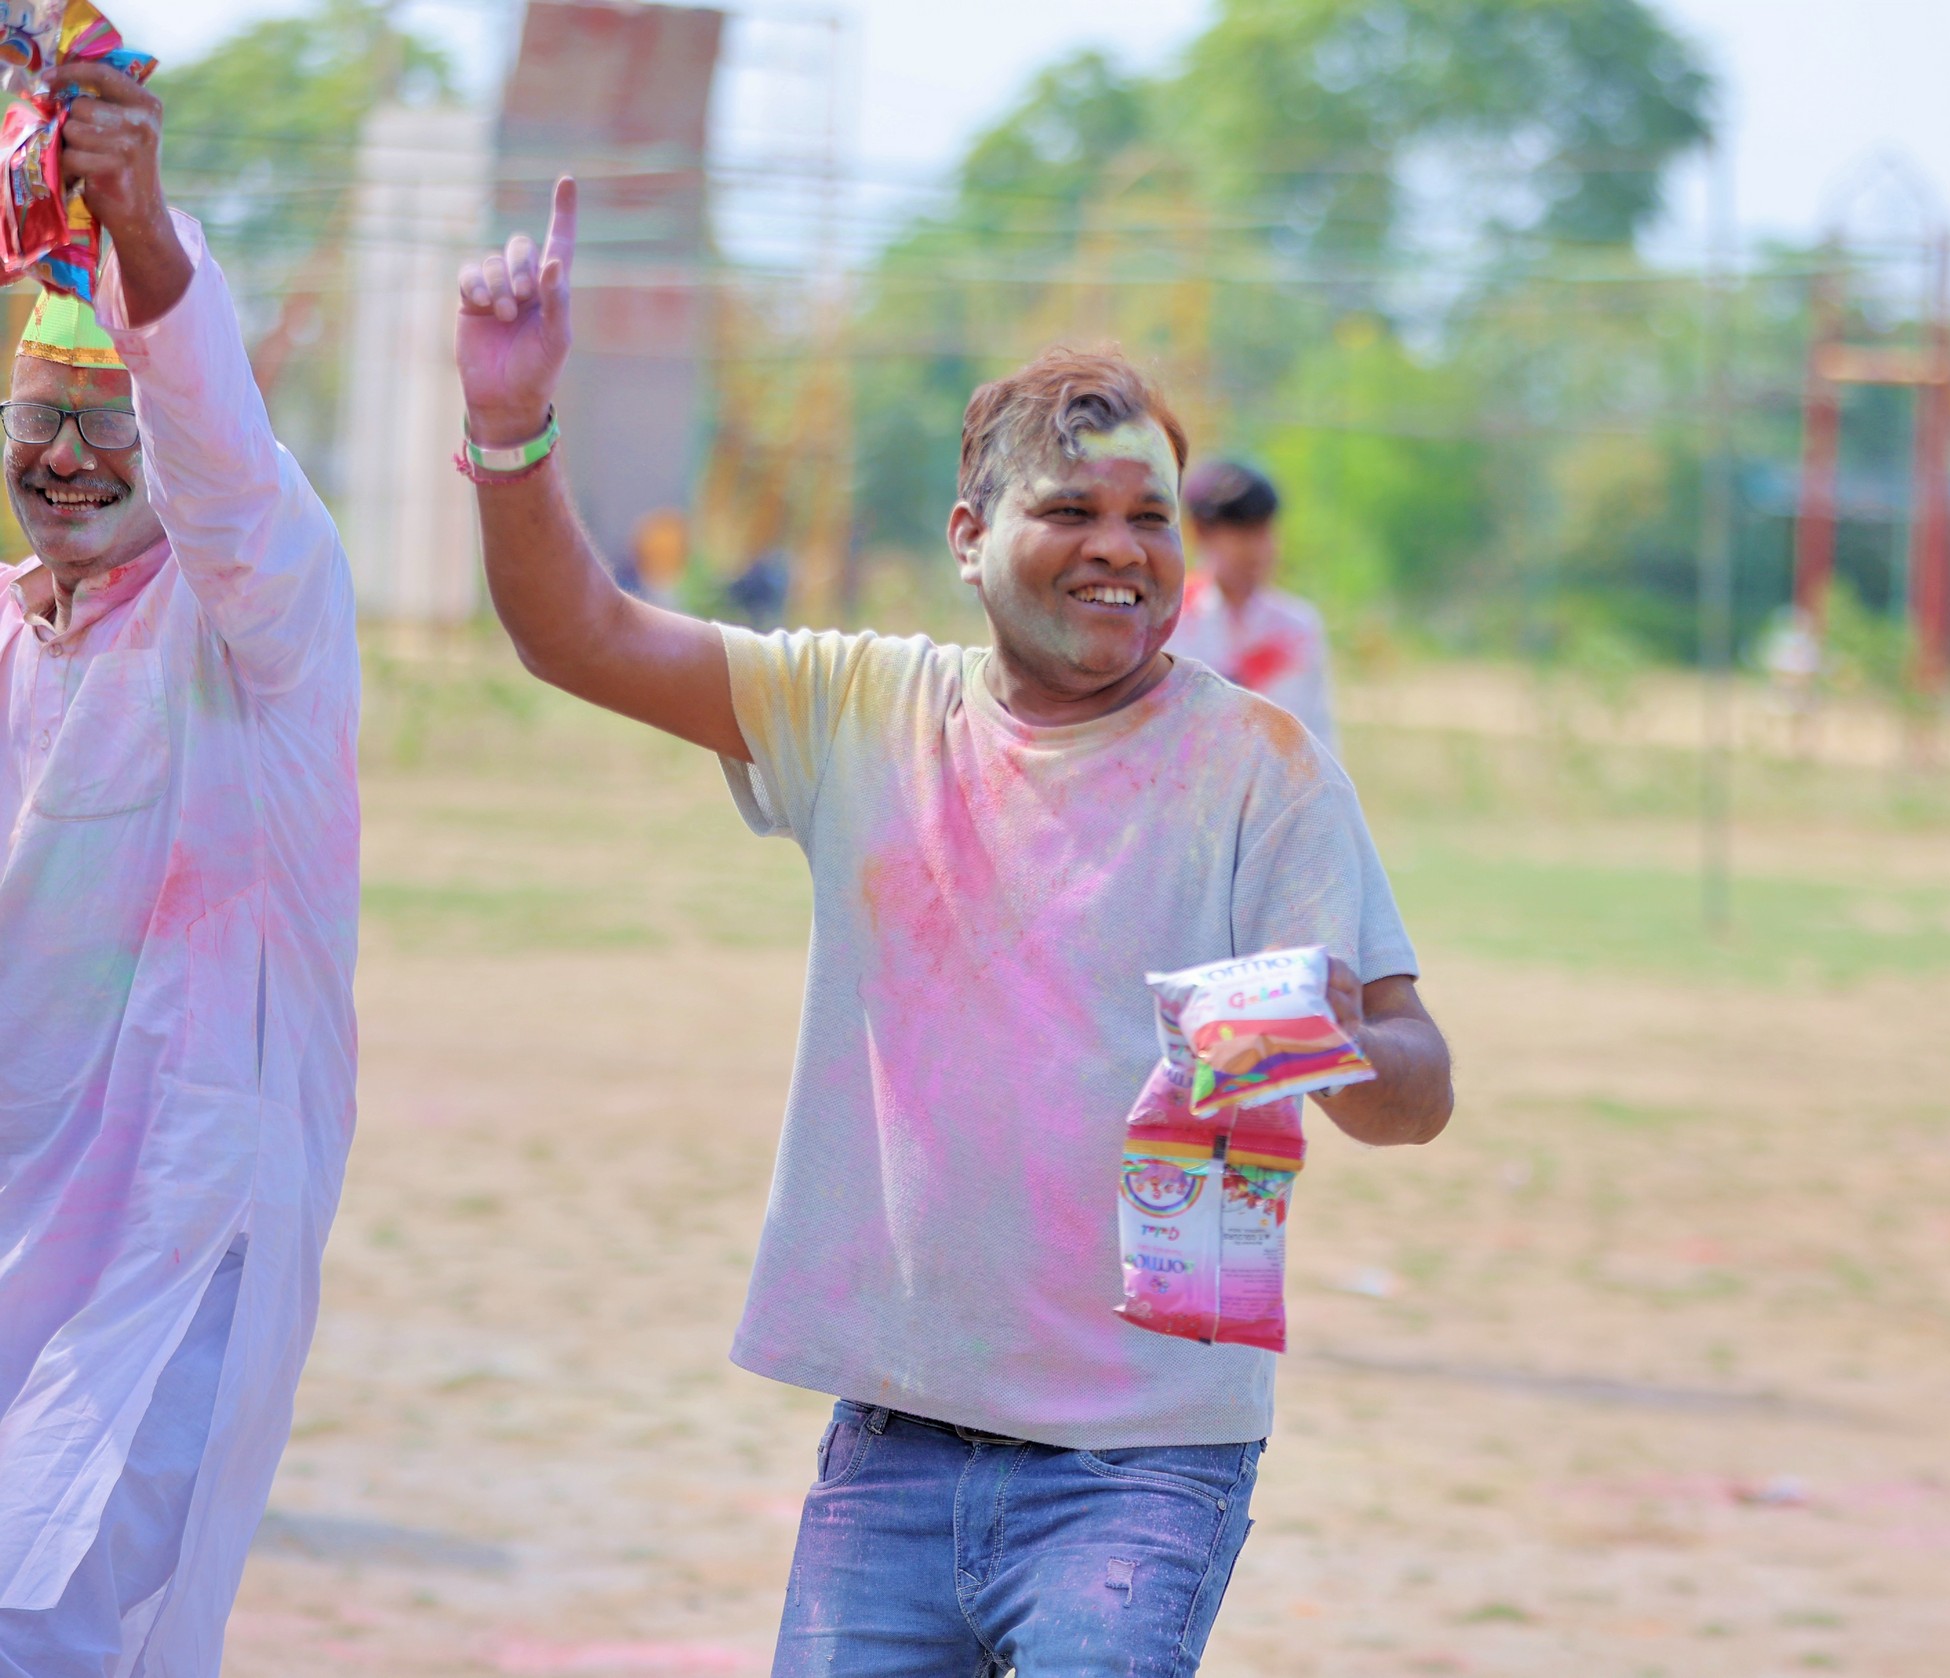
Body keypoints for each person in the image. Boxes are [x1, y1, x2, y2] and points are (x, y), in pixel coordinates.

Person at [452, 181, 1453, 1675]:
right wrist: (510, 426)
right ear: (970, 536)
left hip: (1147, 1453)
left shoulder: (1264, 767)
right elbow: (575, 634)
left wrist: (1323, 1039)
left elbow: (1419, 1085)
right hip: (899, 1436)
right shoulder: (861, 708)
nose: (1120, 547)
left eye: (1150, 517)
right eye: (1072, 510)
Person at [0, 62, 360, 1677]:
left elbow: (216, 454)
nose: (72, 456)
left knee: (47, 1616)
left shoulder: (258, 610)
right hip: (16, 1209)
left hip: (177, 1231)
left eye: (110, 421)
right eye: (41, 417)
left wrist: (135, 223)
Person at [1168, 459, 1337, 748]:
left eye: (1265, 530)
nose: (1259, 548)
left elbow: (1320, 737)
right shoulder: (1171, 618)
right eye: (1244, 533)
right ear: (1201, 532)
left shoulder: (1297, 628)